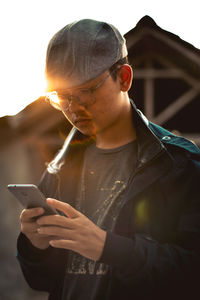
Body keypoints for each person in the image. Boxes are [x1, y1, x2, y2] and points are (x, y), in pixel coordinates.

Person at [17, 19, 200, 300]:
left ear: (124, 78)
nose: (74, 109)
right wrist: (35, 246)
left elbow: (190, 274)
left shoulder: (178, 163)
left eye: (86, 92)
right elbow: (42, 281)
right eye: (63, 97)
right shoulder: (60, 167)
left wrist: (107, 247)